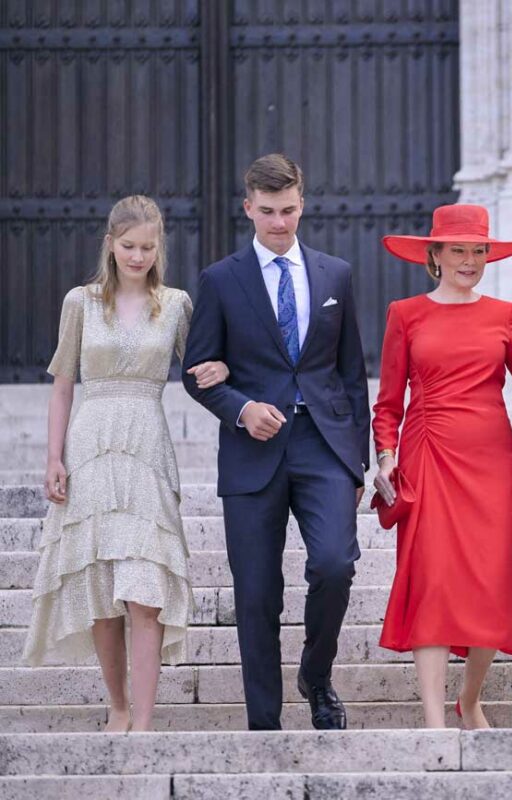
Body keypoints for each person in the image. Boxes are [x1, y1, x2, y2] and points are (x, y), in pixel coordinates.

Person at [24, 195, 229, 732]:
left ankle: (144, 721)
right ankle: (118, 707)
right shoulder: (81, 302)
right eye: (129, 246)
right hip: (90, 449)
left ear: (160, 248)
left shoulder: (176, 304)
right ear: (110, 244)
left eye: (148, 247)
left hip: (146, 451)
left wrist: (226, 368)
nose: (138, 256)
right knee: (100, 591)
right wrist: (53, 457)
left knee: (145, 591)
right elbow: (63, 386)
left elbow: (202, 364)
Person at [183, 154, 371, 730]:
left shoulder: (336, 274)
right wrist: (240, 409)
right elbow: (197, 372)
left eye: (288, 210)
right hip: (252, 453)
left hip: (324, 446)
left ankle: (316, 675)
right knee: (257, 592)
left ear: (302, 204)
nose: (279, 222)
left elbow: (351, 374)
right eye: (267, 211)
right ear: (248, 208)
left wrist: (358, 463)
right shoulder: (220, 280)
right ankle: (264, 724)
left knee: (335, 564)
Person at [371, 204, 512, 730]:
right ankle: (434, 724)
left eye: (479, 250)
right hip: (427, 456)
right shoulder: (405, 313)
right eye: (458, 250)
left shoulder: (504, 314)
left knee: (489, 584)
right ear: (434, 254)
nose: (469, 260)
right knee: (432, 582)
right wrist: (385, 456)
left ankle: (469, 699)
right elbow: (387, 402)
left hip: (492, 463)